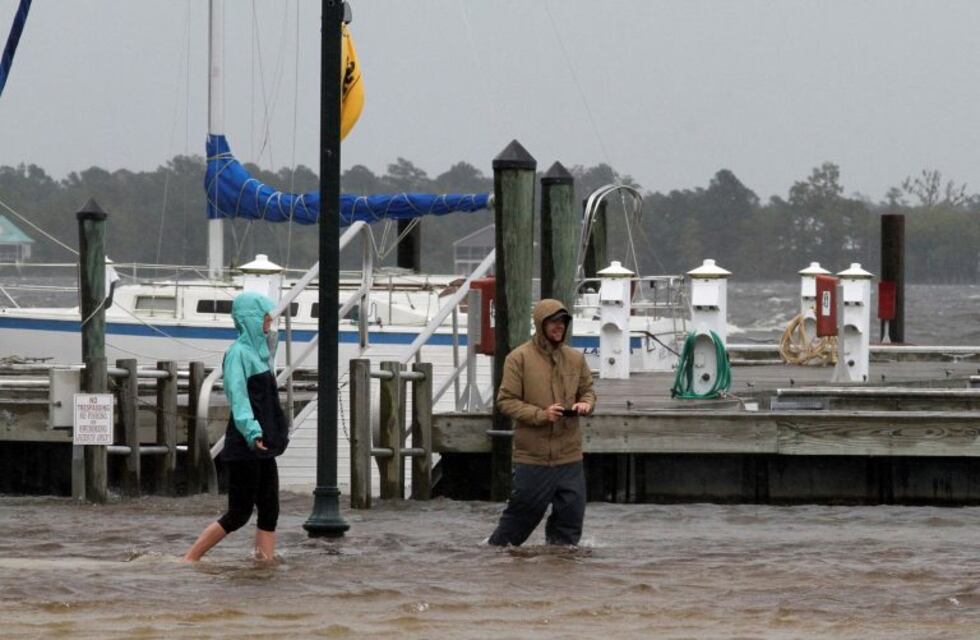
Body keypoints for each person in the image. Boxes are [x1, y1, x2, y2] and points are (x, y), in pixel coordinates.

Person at [183, 291, 289, 562]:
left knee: (270, 510)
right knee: (239, 514)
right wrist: (252, 433)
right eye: (265, 318)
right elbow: (238, 398)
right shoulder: (238, 354)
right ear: (251, 319)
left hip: (263, 444)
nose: (269, 323)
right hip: (245, 445)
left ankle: (264, 566)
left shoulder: (262, 353)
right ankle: (189, 559)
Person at [488, 298, 596, 547]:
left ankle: (559, 572)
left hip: (570, 457)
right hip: (533, 458)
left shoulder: (575, 358)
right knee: (516, 526)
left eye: (563, 321)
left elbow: (588, 391)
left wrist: (586, 404)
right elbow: (505, 401)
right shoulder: (519, 358)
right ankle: (491, 564)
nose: (559, 326)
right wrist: (541, 414)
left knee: (570, 526)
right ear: (540, 324)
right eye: (553, 322)